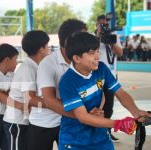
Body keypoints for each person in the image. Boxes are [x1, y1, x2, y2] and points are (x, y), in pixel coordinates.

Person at [58, 32, 151, 150]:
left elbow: (120, 92)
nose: (98, 56)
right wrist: (118, 124)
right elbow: (83, 117)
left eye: (97, 51)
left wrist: (136, 111)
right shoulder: (68, 82)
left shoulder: (101, 68)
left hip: (100, 136)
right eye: (92, 53)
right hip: (75, 141)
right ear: (77, 58)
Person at [36, 19, 88, 149]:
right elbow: (49, 101)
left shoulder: (82, 60)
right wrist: (82, 116)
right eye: (82, 38)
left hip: (69, 123)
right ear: (68, 41)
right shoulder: (48, 64)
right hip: (44, 124)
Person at [3, 30, 50, 150]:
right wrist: (54, 104)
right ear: (41, 49)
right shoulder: (28, 69)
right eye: (47, 46)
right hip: (16, 122)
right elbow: (30, 99)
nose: (49, 49)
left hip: (24, 121)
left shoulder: (35, 66)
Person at [96, 14, 123, 142]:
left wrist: (111, 43)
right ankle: (96, 131)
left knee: (108, 106)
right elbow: (89, 49)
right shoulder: (92, 37)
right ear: (96, 25)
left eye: (106, 25)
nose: (104, 27)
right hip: (96, 77)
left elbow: (120, 53)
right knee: (96, 105)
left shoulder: (113, 37)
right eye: (102, 25)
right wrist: (99, 36)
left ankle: (107, 132)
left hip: (111, 76)